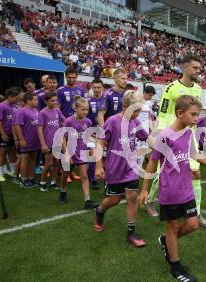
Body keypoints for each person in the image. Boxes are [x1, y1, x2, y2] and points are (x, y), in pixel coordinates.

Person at [138, 95, 206, 282]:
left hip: (186, 188)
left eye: (198, 115)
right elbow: (152, 162)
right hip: (169, 190)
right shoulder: (165, 136)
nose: (197, 118)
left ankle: (166, 241)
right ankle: (175, 266)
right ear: (180, 113)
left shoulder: (188, 132)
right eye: (193, 115)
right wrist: (145, 189)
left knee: (192, 224)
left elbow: (190, 154)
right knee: (173, 226)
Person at [146, 55, 206, 228]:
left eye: (199, 68)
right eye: (195, 68)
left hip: (189, 138)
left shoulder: (198, 89)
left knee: (196, 175)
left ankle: (197, 213)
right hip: (171, 140)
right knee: (164, 174)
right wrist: (159, 138)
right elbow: (163, 114)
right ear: (184, 68)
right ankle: (150, 199)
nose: (198, 71)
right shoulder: (171, 88)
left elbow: (195, 115)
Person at [93, 90, 149, 247]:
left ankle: (131, 233)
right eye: (135, 110)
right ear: (124, 106)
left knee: (132, 197)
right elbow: (100, 143)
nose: (138, 113)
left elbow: (147, 138)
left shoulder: (135, 122)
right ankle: (100, 211)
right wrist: (98, 165)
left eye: (139, 110)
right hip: (114, 168)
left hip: (131, 168)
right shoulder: (112, 121)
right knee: (115, 200)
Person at [60, 96, 99, 209]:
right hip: (70, 151)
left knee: (84, 177)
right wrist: (66, 153)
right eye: (83, 109)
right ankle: (63, 191)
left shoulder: (88, 121)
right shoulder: (69, 121)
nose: (86, 112)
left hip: (82, 152)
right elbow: (63, 137)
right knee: (65, 174)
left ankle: (87, 201)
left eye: (87, 109)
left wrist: (91, 147)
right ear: (76, 108)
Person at [37, 91, 65, 192]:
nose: (54, 102)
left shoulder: (57, 111)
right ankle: (42, 183)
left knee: (56, 162)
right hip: (47, 142)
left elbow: (63, 120)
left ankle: (53, 182)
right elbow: (39, 129)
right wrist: (43, 144)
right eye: (52, 101)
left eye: (55, 100)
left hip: (57, 142)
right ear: (46, 101)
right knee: (48, 164)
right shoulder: (42, 112)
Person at [13, 93, 40, 188]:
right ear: (28, 100)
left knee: (33, 160)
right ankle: (23, 179)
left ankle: (31, 177)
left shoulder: (35, 110)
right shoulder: (22, 111)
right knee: (24, 160)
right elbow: (17, 125)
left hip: (35, 140)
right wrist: (21, 139)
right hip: (26, 139)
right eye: (35, 100)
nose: (37, 101)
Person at [86, 78, 106, 189]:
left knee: (103, 156)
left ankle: (104, 176)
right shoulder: (88, 101)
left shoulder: (106, 101)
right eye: (94, 87)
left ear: (102, 88)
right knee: (92, 155)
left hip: (103, 132)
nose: (97, 89)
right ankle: (92, 178)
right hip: (91, 132)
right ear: (92, 88)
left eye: (99, 87)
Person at [0, 87, 20, 182]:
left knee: (12, 152)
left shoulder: (15, 105)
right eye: (16, 97)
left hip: (12, 134)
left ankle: (11, 171)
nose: (17, 99)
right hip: (3, 133)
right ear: (10, 96)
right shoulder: (1, 106)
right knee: (2, 153)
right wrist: (3, 134)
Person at [136, 85, 156, 168]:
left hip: (146, 129)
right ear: (144, 93)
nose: (150, 97)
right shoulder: (137, 100)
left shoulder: (151, 102)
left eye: (151, 95)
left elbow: (150, 116)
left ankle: (139, 168)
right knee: (136, 150)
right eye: (149, 95)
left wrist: (152, 129)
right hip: (136, 129)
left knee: (144, 150)